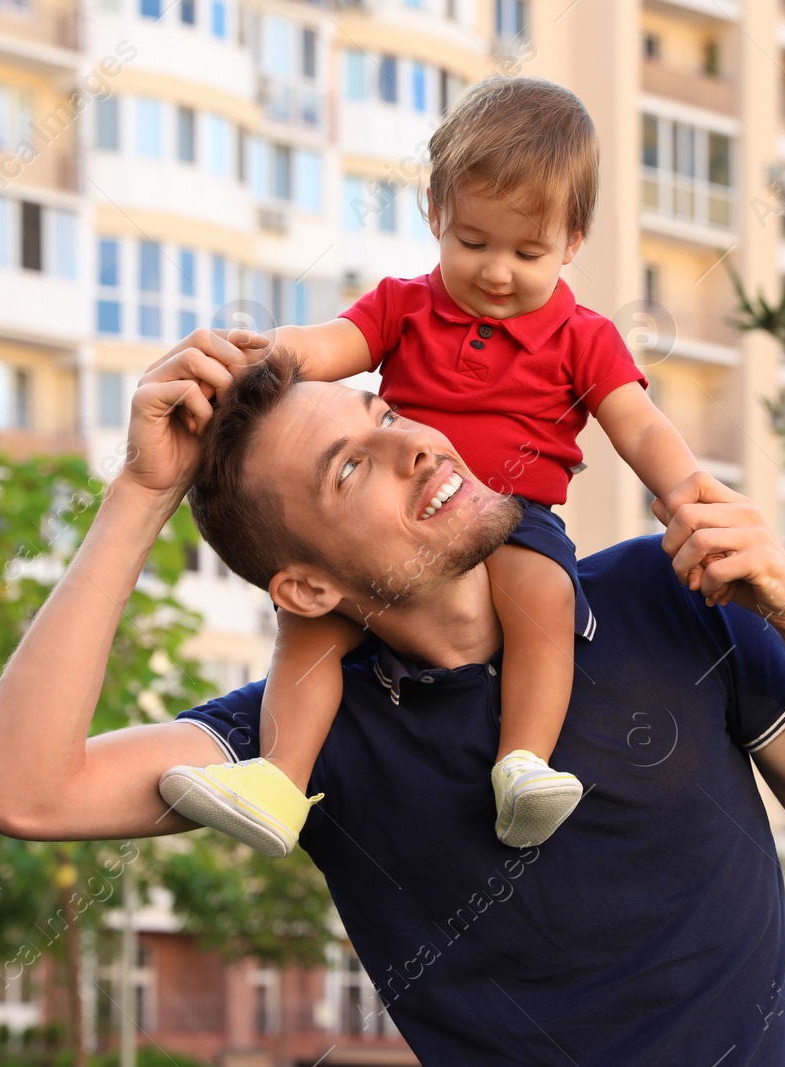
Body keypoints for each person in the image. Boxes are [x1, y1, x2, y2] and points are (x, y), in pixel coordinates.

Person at [0, 338, 785, 1064]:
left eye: (384, 416)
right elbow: (21, 790)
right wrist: (140, 491)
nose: (414, 447)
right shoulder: (305, 735)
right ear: (305, 588)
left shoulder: (672, 597)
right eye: (351, 466)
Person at [164, 76, 710, 858]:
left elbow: (637, 423)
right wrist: (265, 350)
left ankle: (521, 760)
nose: (496, 272)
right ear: (434, 214)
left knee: (545, 599)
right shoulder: (403, 305)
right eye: (472, 243)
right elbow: (327, 350)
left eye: (528, 253)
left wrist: (685, 489)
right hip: (403, 524)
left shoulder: (584, 338)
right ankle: (280, 780)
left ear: (573, 240)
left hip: (512, 514)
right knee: (309, 623)